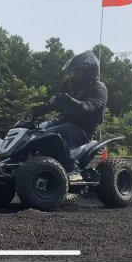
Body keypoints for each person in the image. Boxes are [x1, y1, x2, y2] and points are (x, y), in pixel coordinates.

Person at [32, 50, 108, 181]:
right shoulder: (71, 85)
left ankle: (73, 168)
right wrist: (36, 112)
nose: (73, 74)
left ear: (89, 71)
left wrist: (69, 100)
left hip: (83, 130)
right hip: (64, 121)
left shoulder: (99, 89)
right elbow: (56, 102)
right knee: (34, 131)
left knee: (49, 137)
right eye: (73, 71)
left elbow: (87, 108)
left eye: (77, 71)